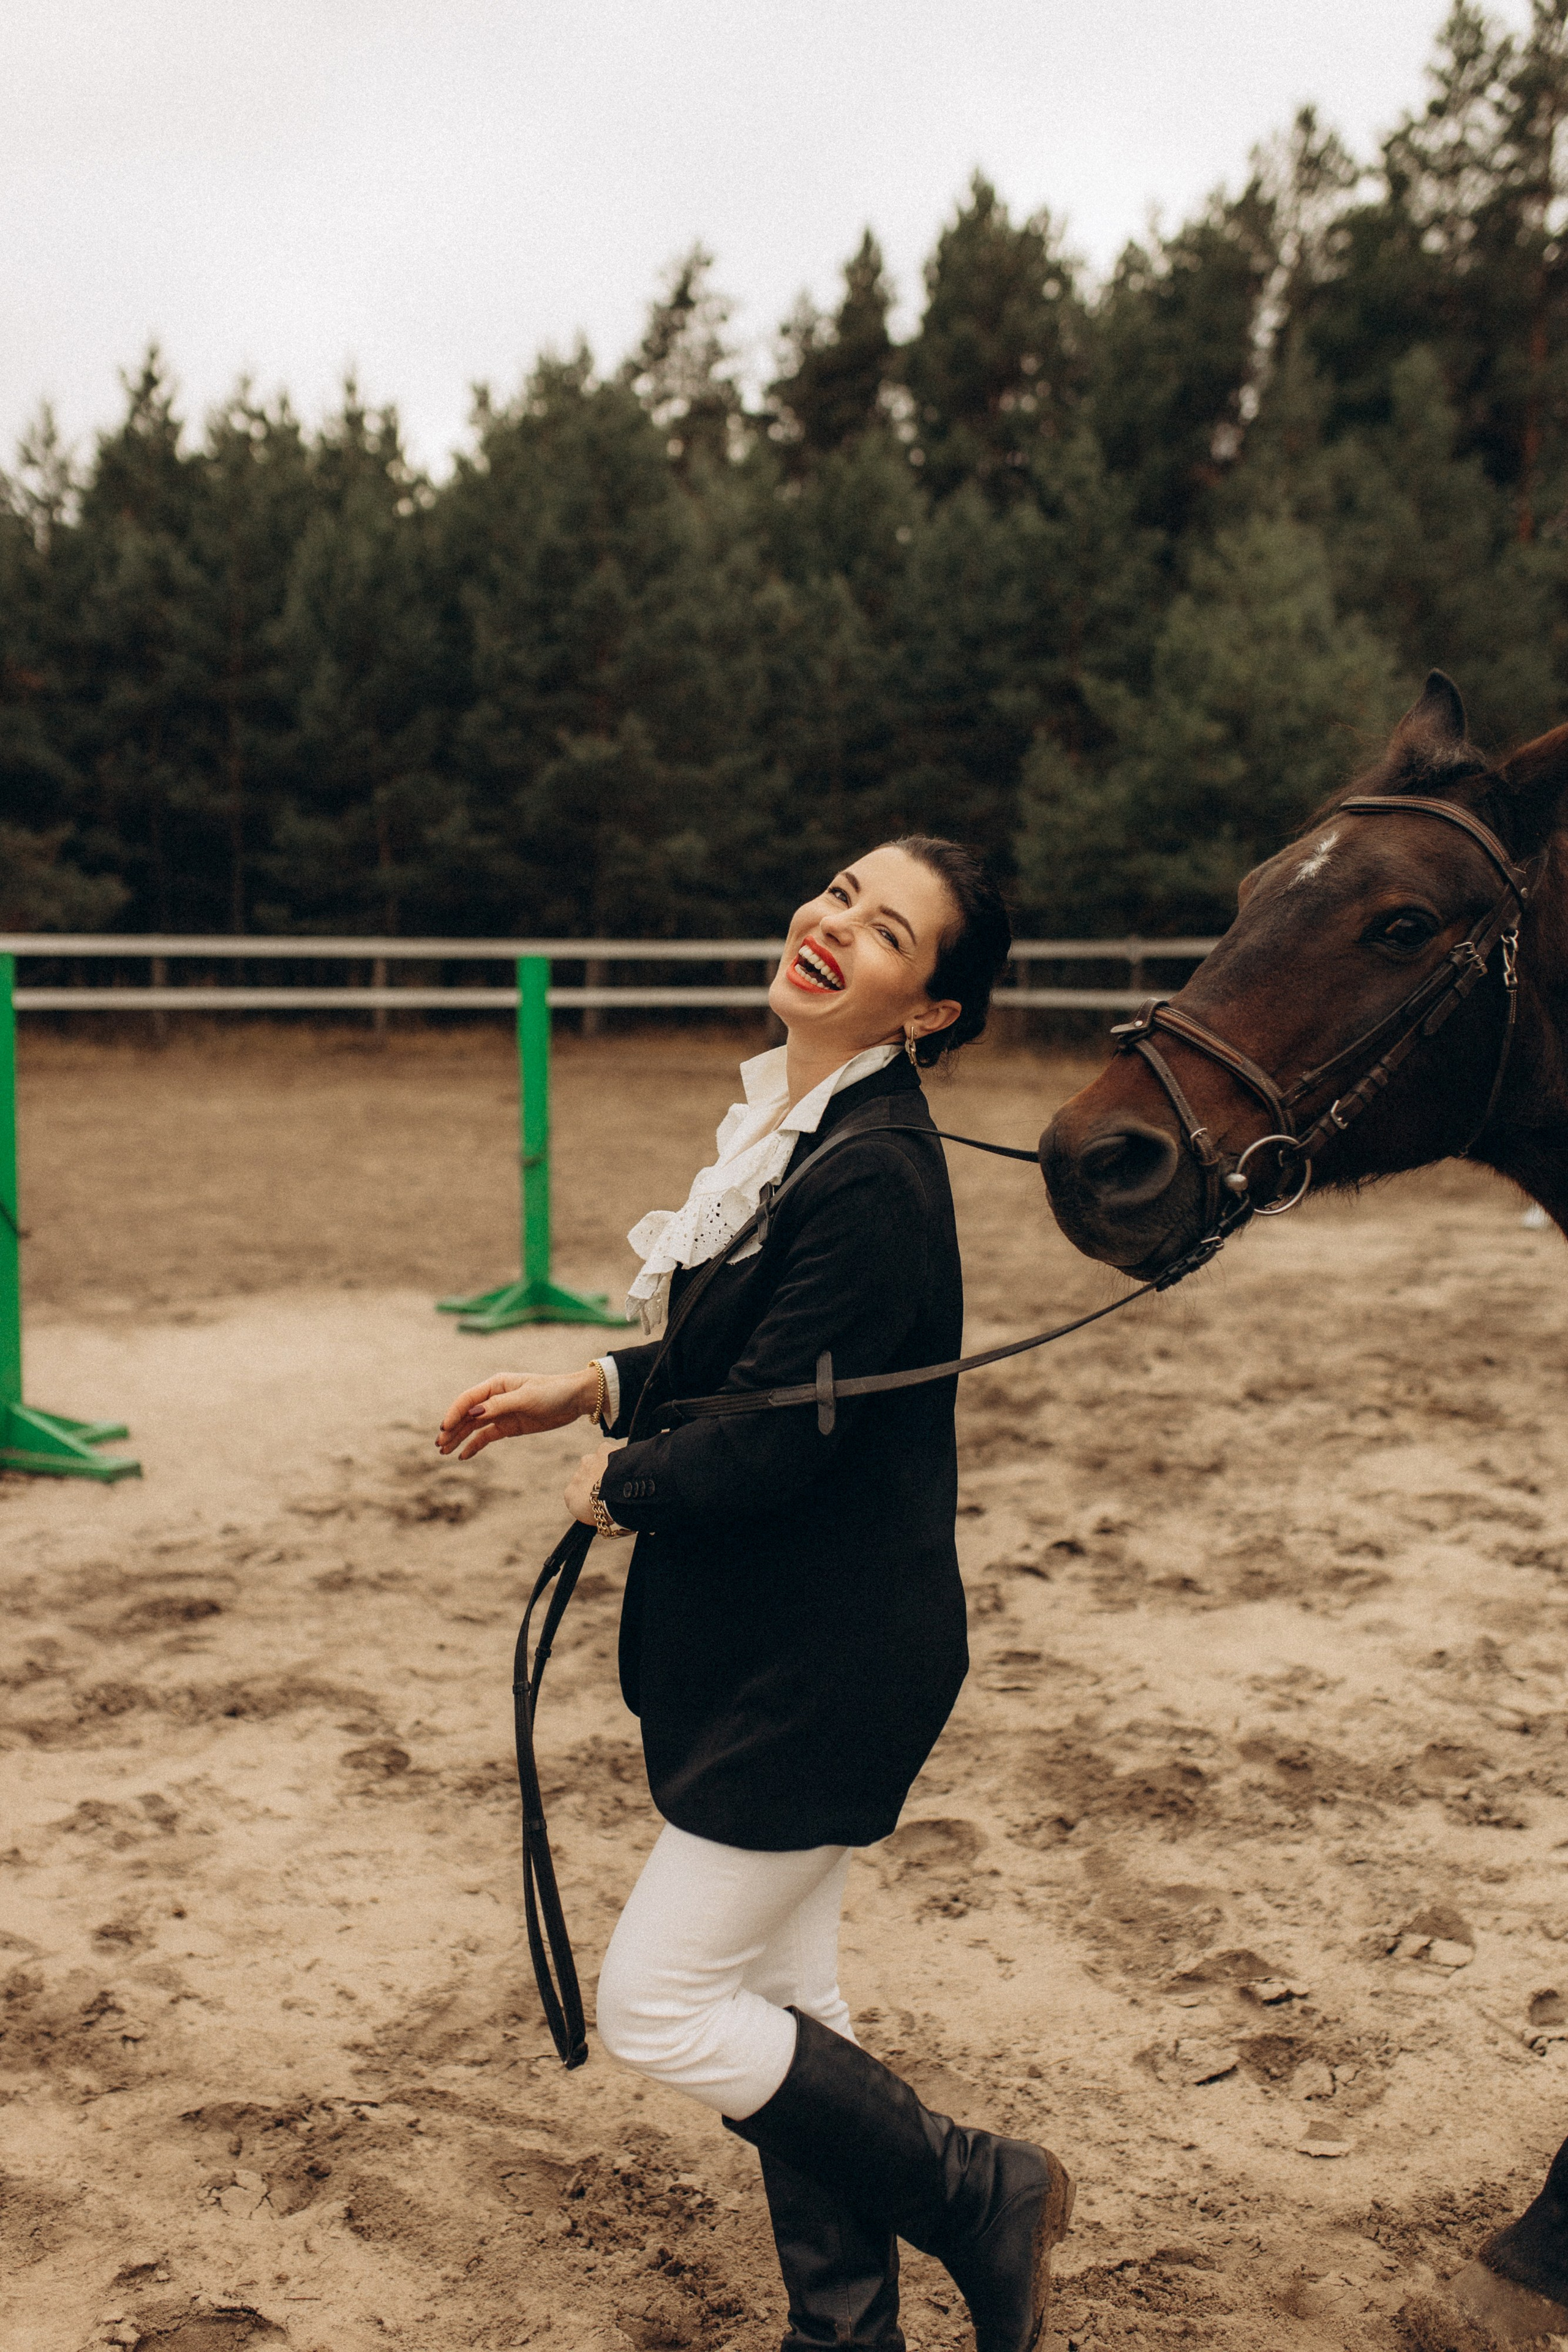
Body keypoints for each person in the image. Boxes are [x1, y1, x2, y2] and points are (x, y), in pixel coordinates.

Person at [437, 837, 1073, 2352]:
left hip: (827, 1659)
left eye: (888, 933)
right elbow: (752, 1357)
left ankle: (981, 2189)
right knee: (787, 1995)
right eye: (840, 897)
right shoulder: (806, 1134)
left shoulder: (871, 1178)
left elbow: (778, 1437)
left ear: (930, 1011)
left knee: (661, 2006)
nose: (836, 929)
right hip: (782, 1639)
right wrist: (591, 1386)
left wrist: (628, 1482)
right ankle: (843, 2332)